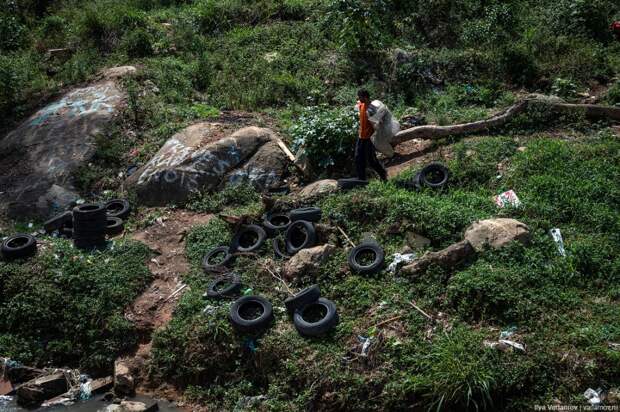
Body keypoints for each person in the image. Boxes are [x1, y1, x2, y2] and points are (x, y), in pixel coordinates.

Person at [355, 89, 387, 181]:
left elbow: (379, 122)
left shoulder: (372, 109)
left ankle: (383, 174)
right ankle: (361, 179)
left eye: (360, 97)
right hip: (361, 136)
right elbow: (357, 104)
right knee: (358, 158)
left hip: (370, 138)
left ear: (365, 97)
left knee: (371, 160)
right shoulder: (361, 105)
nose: (358, 98)